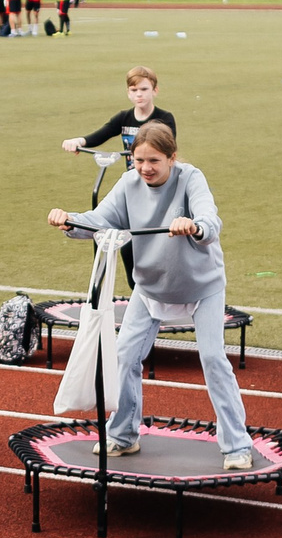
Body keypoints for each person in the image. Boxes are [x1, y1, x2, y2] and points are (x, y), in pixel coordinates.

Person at [46, 121, 253, 469]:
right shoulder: (129, 182)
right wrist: (70, 220)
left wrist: (195, 226)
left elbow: (210, 220)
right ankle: (124, 434)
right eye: (138, 160)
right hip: (150, 286)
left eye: (154, 161)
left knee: (215, 361)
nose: (145, 168)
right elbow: (99, 221)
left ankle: (236, 446)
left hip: (202, 287)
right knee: (125, 357)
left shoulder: (190, 178)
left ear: (172, 158)